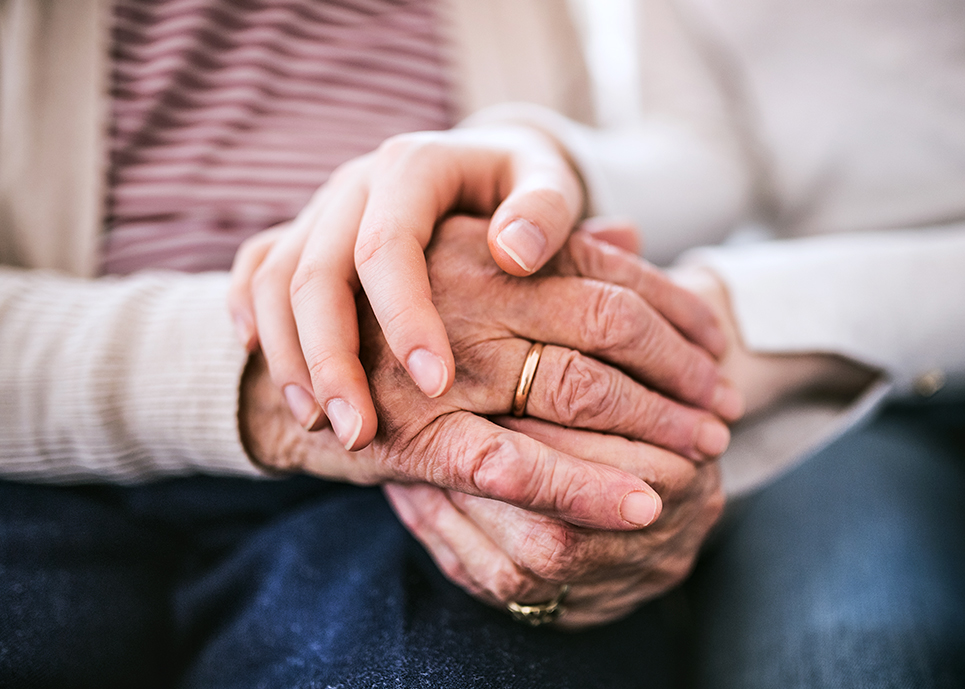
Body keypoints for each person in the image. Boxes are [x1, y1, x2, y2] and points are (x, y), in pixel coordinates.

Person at [1, 1, 963, 688]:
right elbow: (694, 150)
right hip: (57, 447)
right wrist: (269, 374)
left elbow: (647, 185)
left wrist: (673, 304)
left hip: (417, 468)